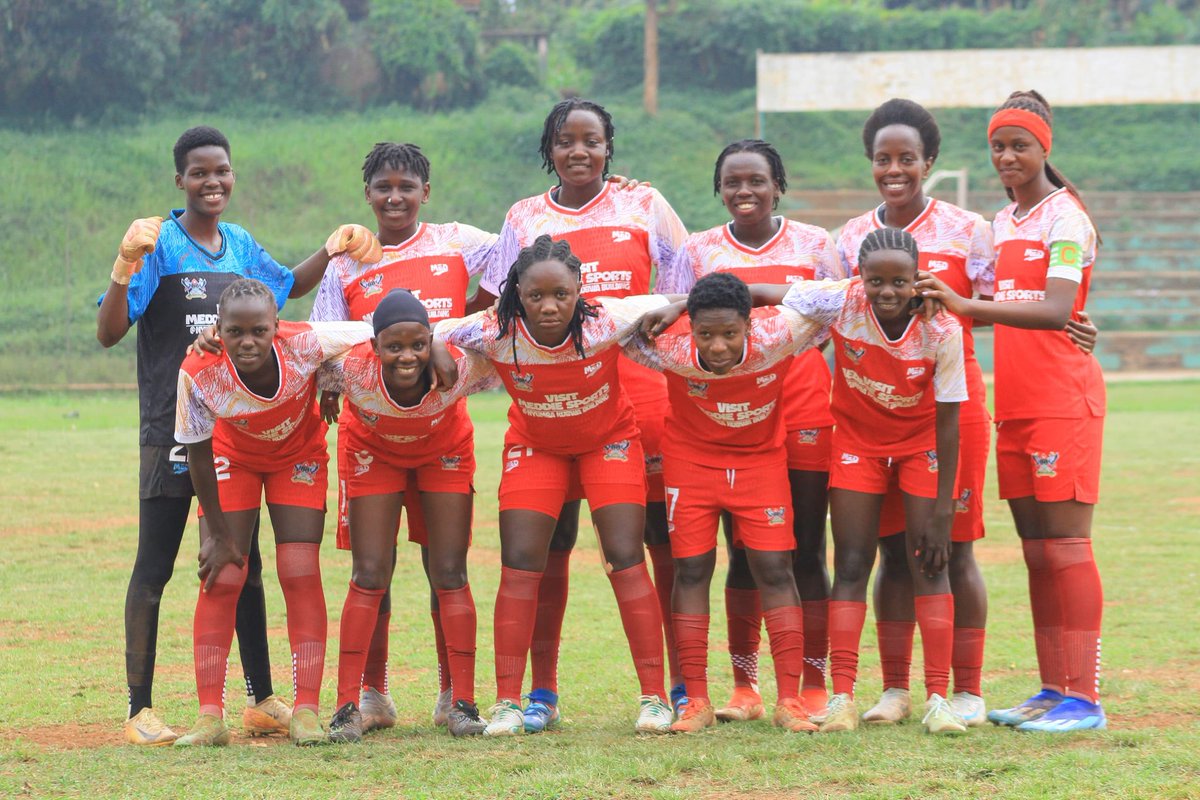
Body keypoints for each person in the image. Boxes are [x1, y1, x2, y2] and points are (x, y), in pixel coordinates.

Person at [95, 125, 378, 745]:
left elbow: (286, 290)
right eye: (199, 173)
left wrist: (331, 250)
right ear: (180, 181)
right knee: (157, 566)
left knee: (237, 563)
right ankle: (140, 708)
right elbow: (108, 332)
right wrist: (123, 267)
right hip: (172, 427)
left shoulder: (241, 245)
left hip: (243, 432)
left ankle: (261, 698)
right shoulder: (160, 244)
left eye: (221, 171)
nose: (212, 182)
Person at [471, 98, 690, 728]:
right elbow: (492, 304)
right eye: (565, 141)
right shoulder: (524, 217)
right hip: (546, 400)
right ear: (550, 149)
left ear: (608, 147)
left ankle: (676, 687)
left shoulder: (644, 204)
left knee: (653, 542)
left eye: (591, 141)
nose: (578, 152)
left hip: (636, 397)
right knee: (552, 544)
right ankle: (538, 693)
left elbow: (683, 283)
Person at [917, 90, 1107, 733]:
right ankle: (1053, 688)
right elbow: (1030, 304)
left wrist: (968, 309)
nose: (1006, 156)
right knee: (1035, 550)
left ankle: (1085, 698)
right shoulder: (1003, 225)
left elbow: (1056, 309)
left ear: (1043, 146)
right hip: (1017, 405)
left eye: (1018, 145)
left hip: (1063, 402)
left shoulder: (1065, 219)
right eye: (998, 145)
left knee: (1068, 547)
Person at [437, 234, 675, 736]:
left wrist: (672, 311)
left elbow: (670, 301)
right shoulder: (494, 330)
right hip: (537, 445)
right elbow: (440, 329)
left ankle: (654, 698)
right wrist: (438, 345)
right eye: (535, 296)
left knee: (625, 557)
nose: (548, 307)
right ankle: (509, 703)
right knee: (522, 563)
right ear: (516, 294)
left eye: (560, 296)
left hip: (607, 442)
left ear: (579, 290)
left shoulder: (606, 319)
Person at [309, 141, 496, 732]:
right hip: (371, 439)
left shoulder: (457, 242)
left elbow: (519, 275)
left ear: (425, 193)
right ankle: (370, 696)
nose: (395, 197)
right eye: (383, 187)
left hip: (444, 437)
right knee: (373, 571)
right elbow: (321, 340)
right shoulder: (346, 262)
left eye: (407, 187)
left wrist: (449, 331)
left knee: (449, 569)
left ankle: (454, 697)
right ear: (367, 195)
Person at [655, 140, 841, 722]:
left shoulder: (815, 243)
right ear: (719, 188)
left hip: (801, 404)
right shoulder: (699, 248)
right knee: (737, 553)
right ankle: (743, 684)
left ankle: (810, 684)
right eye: (732, 182)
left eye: (756, 180)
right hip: (719, 415)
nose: (744, 192)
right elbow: (674, 311)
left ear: (777, 183)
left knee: (801, 550)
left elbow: (833, 309)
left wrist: (763, 303)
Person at [835, 100, 994, 727]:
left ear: (930, 162)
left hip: (949, 411)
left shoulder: (967, 227)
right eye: (884, 159)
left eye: (908, 159)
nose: (895, 169)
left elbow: (997, 303)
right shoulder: (849, 238)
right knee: (892, 553)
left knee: (951, 551)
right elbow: (832, 308)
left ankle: (966, 691)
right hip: (875, 417)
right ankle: (896, 690)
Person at [779, 228, 969, 735]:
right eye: (875, 280)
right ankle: (841, 697)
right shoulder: (842, 301)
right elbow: (778, 293)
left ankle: (937, 699)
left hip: (920, 447)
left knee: (929, 561)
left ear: (917, 279)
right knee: (853, 561)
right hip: (857, 446)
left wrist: (945, 506)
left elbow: (949, 421)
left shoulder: (942, 328)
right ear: (857, 279)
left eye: (899, 282)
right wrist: (684, 301)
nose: (886, 291)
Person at [626, 272, 832, 733]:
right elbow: (608, 321)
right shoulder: (667, 345)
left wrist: (705, 299)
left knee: (776, 570)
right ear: (690, 329)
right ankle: (695, 700)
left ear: (749, 328)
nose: (717, 347)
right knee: (692, 570)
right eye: (706, 334)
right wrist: (676, 307)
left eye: (729, 334)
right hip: (691, 467)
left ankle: (790, 701)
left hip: (761, 466)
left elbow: (833, 300)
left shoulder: (780, 335)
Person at [171, 278, 372, 746]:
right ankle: (209, 717)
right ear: (216, 329)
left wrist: (328, 378)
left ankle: (305, 711)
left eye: (259, 330)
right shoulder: (198, 369)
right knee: (222, 576)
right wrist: (219, 534)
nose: (247, 341)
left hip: (297, 457)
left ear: (277, 326)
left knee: (300, 571)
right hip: (231, 459)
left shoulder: (304, 343)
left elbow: (370, 331)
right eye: (235, 331)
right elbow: (197, 451)